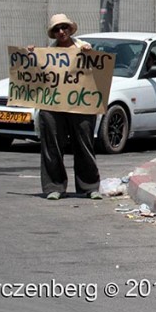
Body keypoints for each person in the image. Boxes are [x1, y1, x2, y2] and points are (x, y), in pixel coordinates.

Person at [37, 13, 100, 200]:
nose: (61, 31)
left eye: (64, 27)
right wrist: (30, 55)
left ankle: (89, 187)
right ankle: (54, 187)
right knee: (52, 145)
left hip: (81, 104)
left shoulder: (83, 48)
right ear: (53, 33)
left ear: (70, 29)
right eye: (56, 29)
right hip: (53, 105)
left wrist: (91, 53)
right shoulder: (47, 53)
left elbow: (96, 74)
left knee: (84, 144)